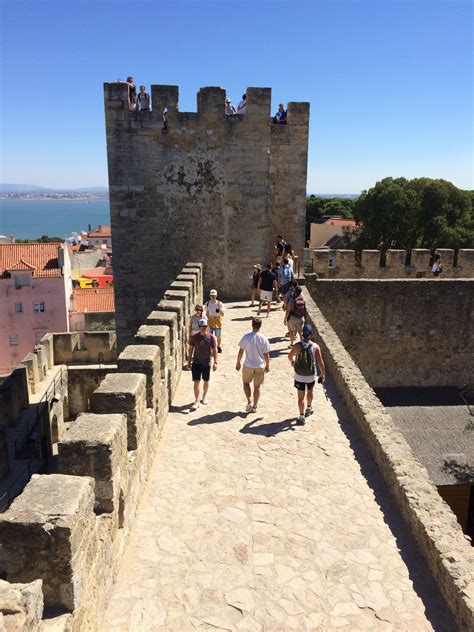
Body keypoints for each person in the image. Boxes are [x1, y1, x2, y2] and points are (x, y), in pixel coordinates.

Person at [288, 324, 325, 425]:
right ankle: (309, 408)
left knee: (300, 397)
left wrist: (293, 363)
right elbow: (320, 362)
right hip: (311, 375)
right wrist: (322, 374)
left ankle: (301, 416)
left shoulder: (297, 345)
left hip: (299, 375)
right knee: (310, 391)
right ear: (311, 334)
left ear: (302, 334)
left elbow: (290, 356)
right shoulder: (316, 347)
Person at [236, 317, 270, 413]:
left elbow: (241, 351)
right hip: (260, 365)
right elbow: (267, 354)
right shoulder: (264, 338)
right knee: (257, 386)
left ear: (252, 325)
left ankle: (249, 401)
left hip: (248, 364)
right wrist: (268, 365)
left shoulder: (246, 337)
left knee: (246, 383)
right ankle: (255, 406)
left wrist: (238, 362)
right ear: (260, 326)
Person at [187, 318, 218, 410]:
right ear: (199, 327)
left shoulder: (211, 337)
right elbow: (191, 349)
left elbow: (215, 350)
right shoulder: (194, 337)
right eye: (202, 327)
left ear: (207, 326)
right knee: (196, 382)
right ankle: (196, 401)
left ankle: (204, 396)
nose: (203, 328)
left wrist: (216, 362)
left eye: (205, 326)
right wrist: (189, 362)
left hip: (206, 363)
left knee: (206, 381)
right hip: (196, 362)